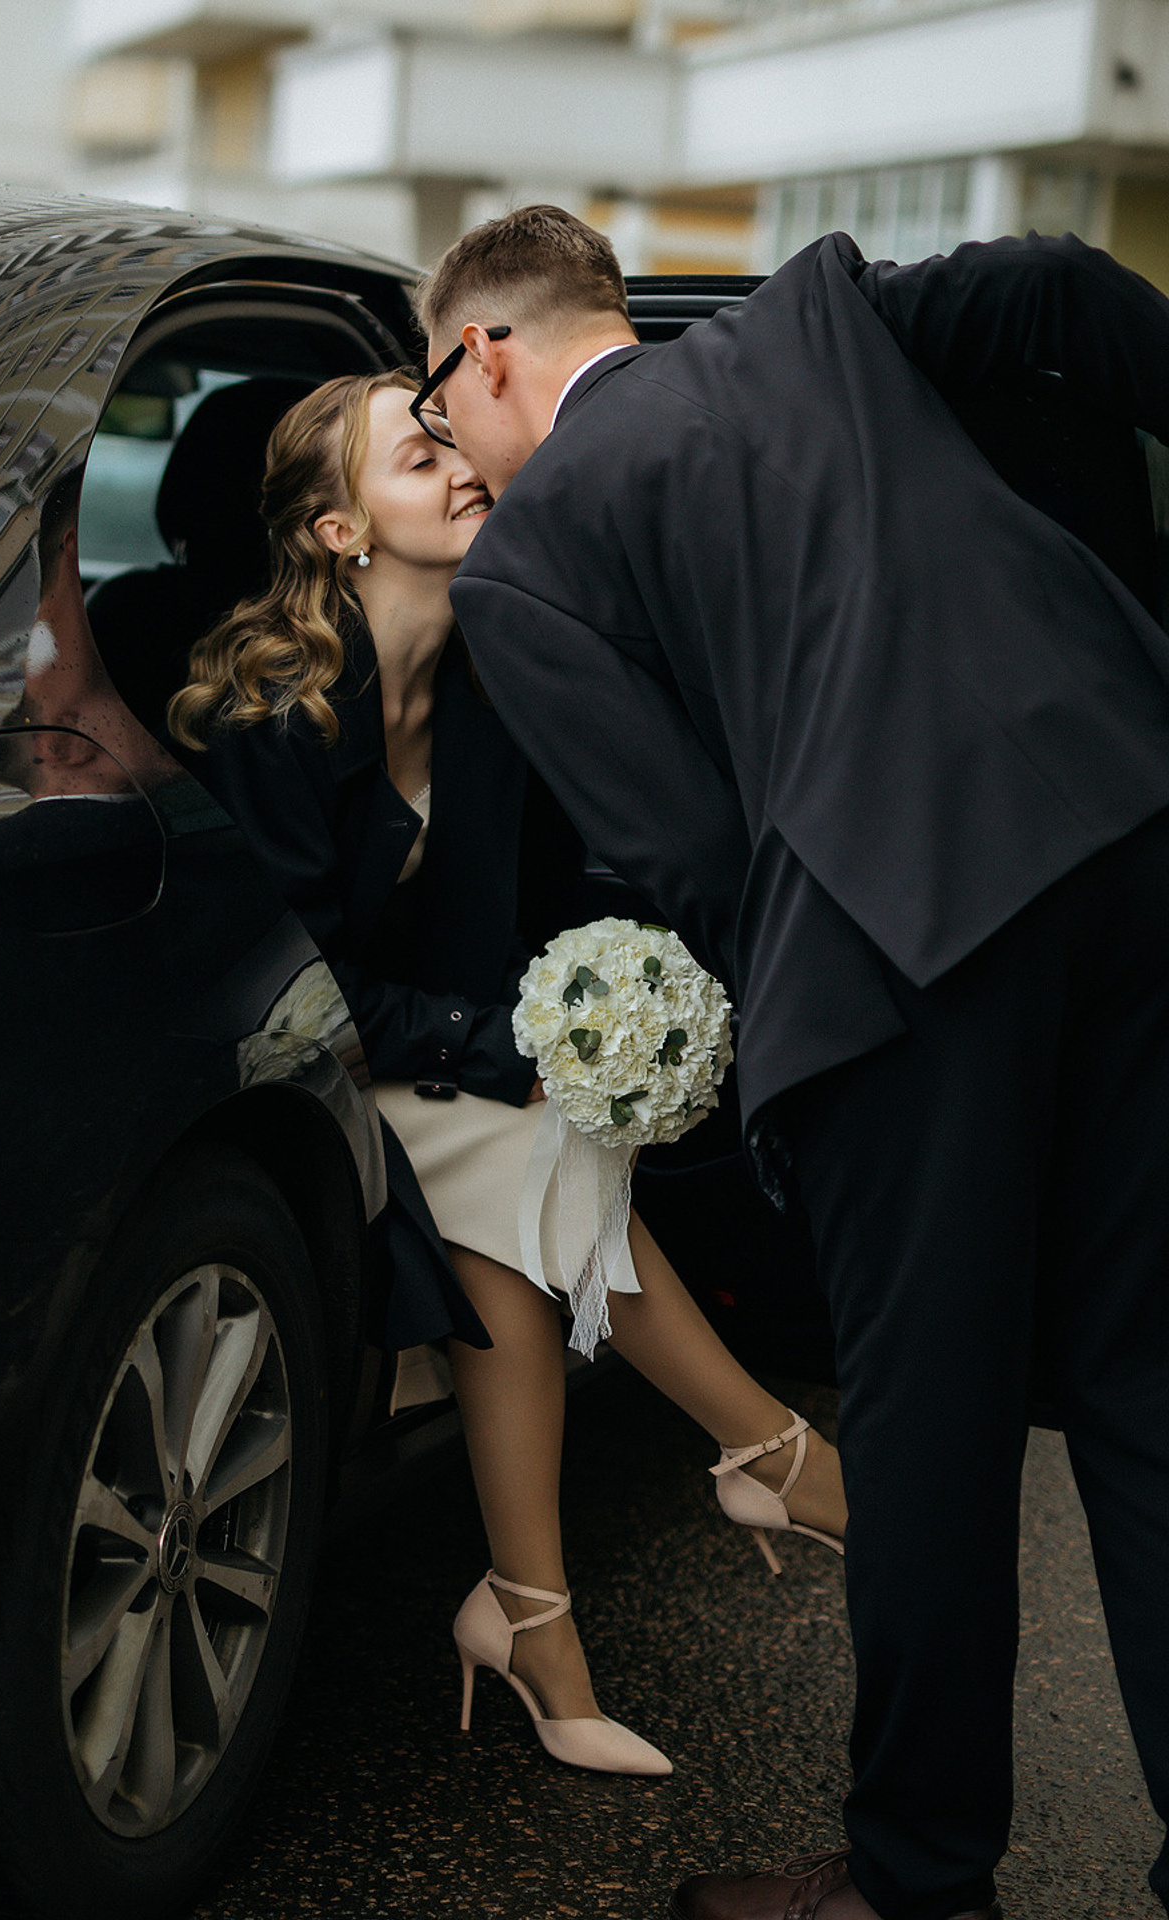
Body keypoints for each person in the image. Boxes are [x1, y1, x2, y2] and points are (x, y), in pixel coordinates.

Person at [425, 204, 1169, 1919]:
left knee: (929, 1441)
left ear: (486, 352)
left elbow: (688, 853)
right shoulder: (822, 308)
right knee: (1146, 1382)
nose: (450, 448)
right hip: (1135, 826)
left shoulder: (524, 568)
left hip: (905, 951)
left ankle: (915, 1882)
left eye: (436, 402)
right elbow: (1059, 287)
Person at [170, 370, 848, 1781]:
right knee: (541, 1148)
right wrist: (506, 1048)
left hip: (403, 1059)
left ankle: (537, 1617)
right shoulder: (268, 716)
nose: (462, 466)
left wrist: (579, 1024)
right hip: (273, 1075)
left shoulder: (482, 685)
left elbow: (509, 925)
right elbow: (300, 990)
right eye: (418, 461)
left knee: (518, 1215)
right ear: (342, 530)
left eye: (453, 442)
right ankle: (774, 1458)